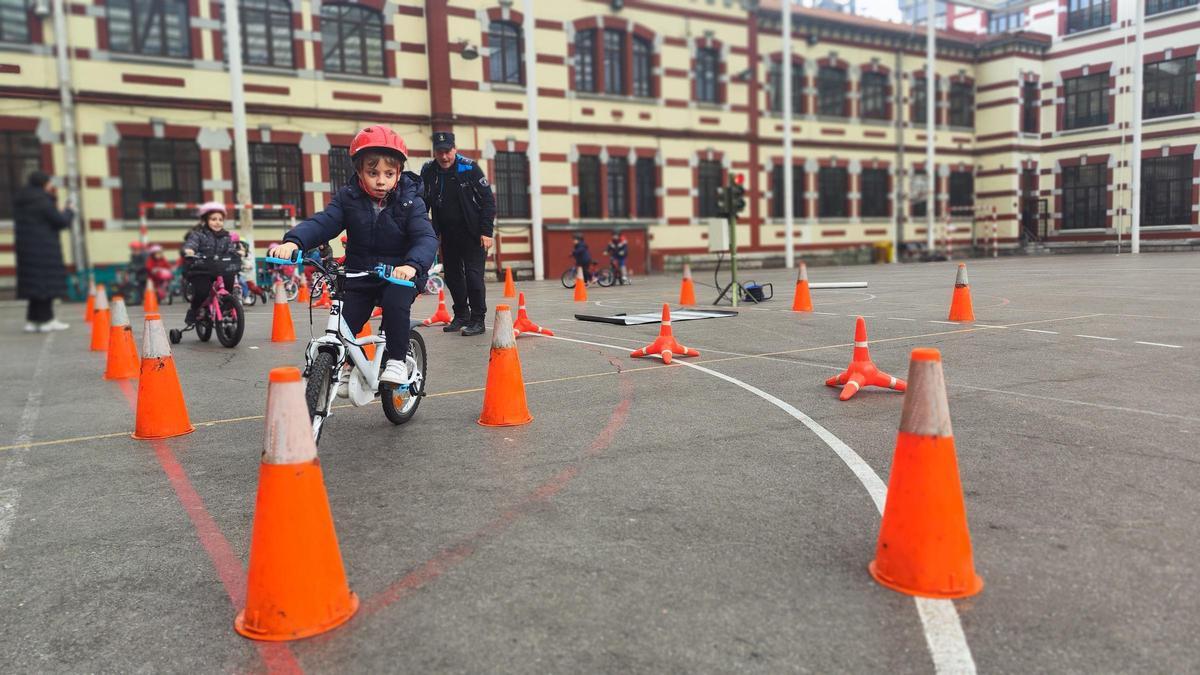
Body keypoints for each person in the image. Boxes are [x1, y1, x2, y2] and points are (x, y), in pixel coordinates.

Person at [269, 125, 437, 388]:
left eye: (389, 174)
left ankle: (397, 360)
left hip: (399, 274)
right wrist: (294, 242)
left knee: (395, 304)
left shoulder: (410, 201)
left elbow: (426, 238)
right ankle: (345, 364)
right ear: (359, 172)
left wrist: (411, 266)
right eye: (373, 173)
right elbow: (325, 223)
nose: (381, 180)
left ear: (399, 173)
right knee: (344, 323)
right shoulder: (348, 199)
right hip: (360, 273)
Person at [419, 131, 496, 337]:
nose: (444, 157)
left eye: (448, 151)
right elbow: (422, 201)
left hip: (473, 233)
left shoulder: (469, 167)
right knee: (452, 277)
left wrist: (486, 232)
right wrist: (424, 229)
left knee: (473, 277)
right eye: (440, 152)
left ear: (454, 149)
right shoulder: (429, 170)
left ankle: (478, 319)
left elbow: (488, 201)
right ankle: (461, 314)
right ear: (434, 152)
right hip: (447, 233)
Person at [14, 171, 73, 332]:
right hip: (44, 248)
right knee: (45, 285)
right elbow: (60, 221)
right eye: (49, 183)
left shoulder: (22, 200)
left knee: (34, 285)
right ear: (43, 183)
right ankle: (47, 320)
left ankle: (33, 321)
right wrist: (69, 211)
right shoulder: (42, 201)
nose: (51, 186)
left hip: (27, 250)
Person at [182, 202, 239, 326]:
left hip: (220, 268)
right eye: (213, 219)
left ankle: (225, 307)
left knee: (229, 280)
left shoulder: (226, 237)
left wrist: (237, 253)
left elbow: (231, 250)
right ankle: (194, 310)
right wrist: (189, 251)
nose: (217, 222)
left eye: (220, 219)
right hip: (202, 268)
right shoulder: (198, 234)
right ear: (205, 220)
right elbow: (191, 244)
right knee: (202, 291)